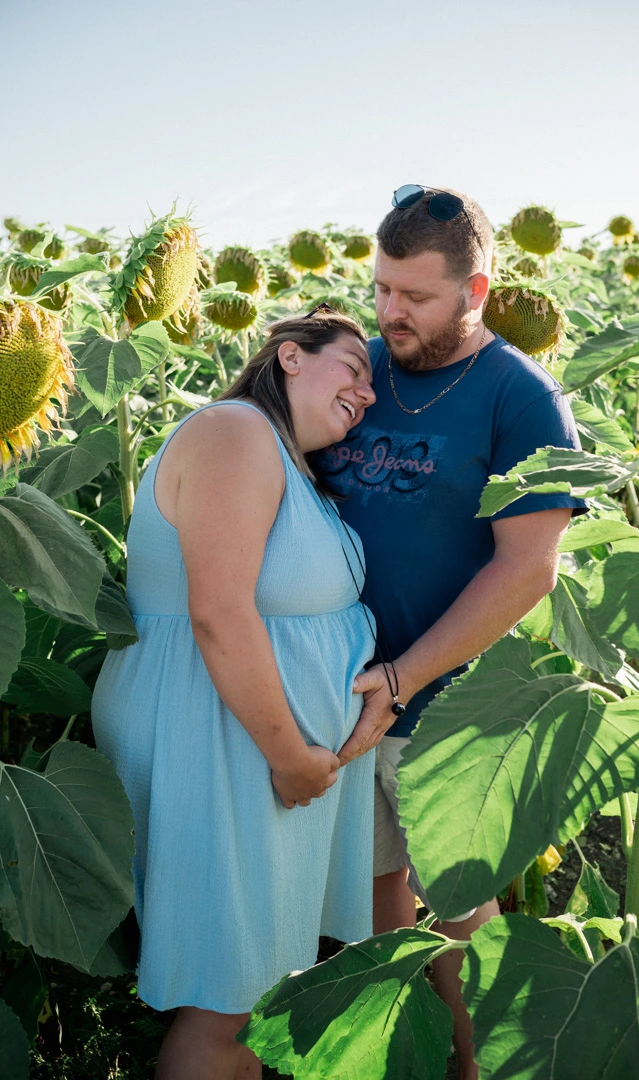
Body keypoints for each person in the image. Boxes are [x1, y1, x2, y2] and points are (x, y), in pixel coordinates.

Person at [315, 185, 587, 1080]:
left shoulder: (520, 398)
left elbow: (526, 568)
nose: (390, 312)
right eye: (383, 287)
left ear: (475, 292)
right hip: (341, 695)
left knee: (461, 919)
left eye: (416, 297)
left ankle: (481, 1069)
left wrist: (400, 679)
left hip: (446, 707)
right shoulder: (360, 370)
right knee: (377, 908)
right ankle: (409, 1064)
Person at [92, 309, 377, 1080]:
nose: (367, 392)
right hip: (221, 738)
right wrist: (290, 757)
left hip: (250, 745)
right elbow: (218, 612)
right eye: (352, 367)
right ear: (289, 355)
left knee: (250, 997)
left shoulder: (285, 461)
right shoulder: (234, 431)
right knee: (225, 1002)